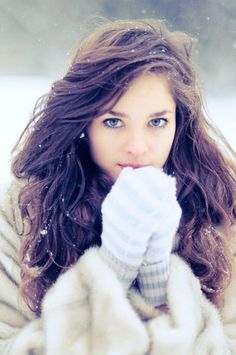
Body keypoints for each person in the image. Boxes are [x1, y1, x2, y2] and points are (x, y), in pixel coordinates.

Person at [0, 18, 235, 355]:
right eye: (113, 121)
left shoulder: (223, 214)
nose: (137, 146)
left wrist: (159, 282)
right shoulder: (22, 215)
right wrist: (112, 271)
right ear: (84, 124)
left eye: (157, 122)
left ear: (179, 123)